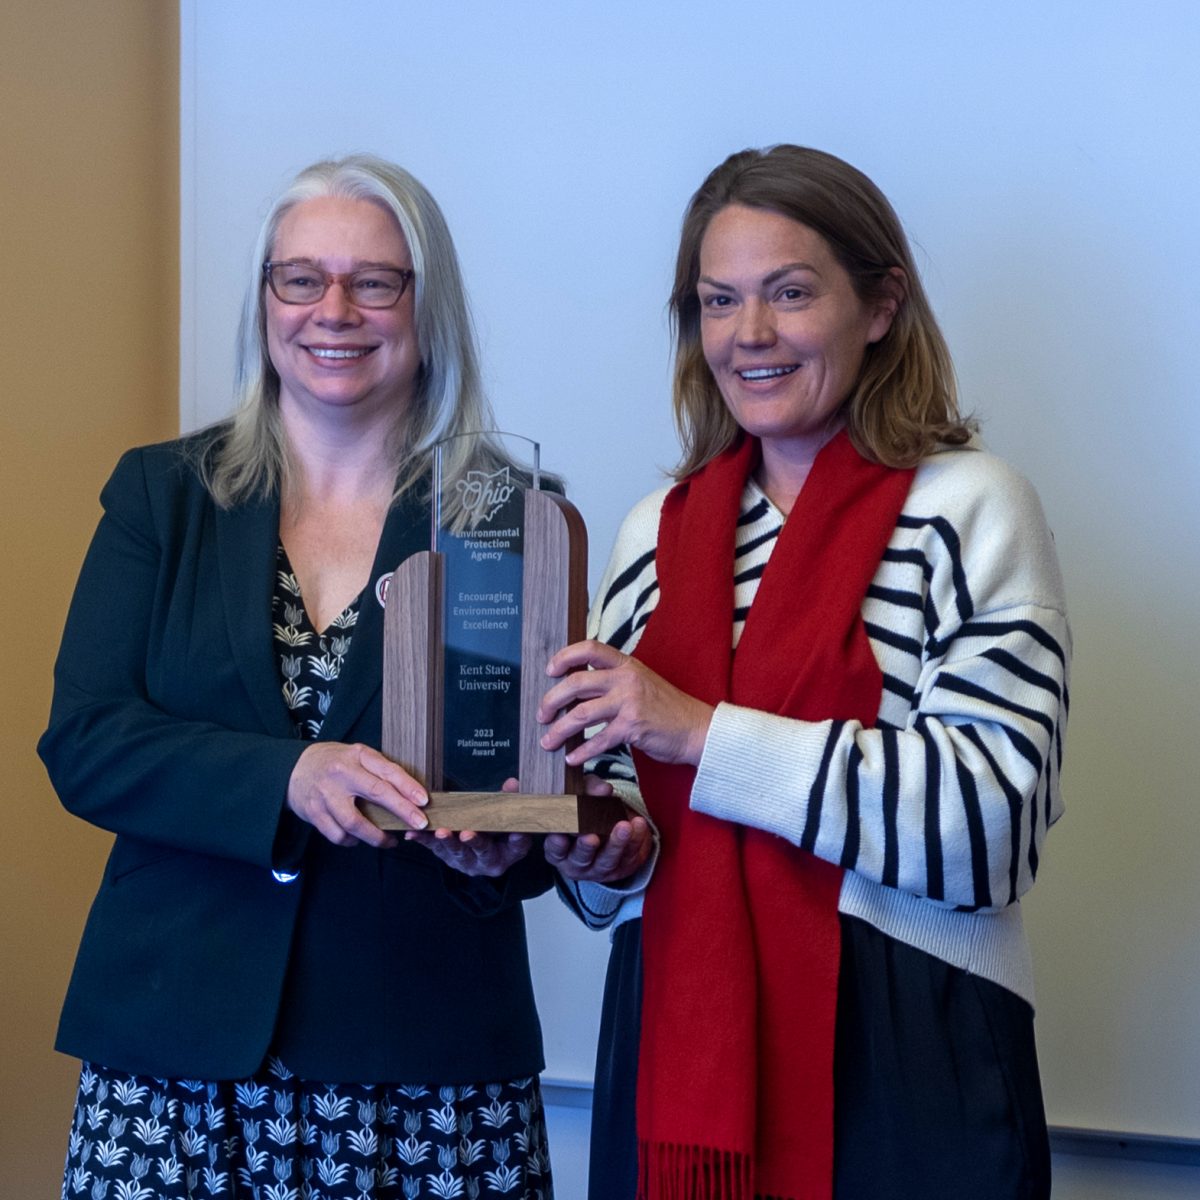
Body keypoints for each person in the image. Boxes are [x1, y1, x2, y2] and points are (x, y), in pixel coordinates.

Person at [39, 152, 645, 1200]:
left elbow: (517, 777)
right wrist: (289, 775)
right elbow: (87, 743)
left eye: (375, 281)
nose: (335, 310)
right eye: (300, 278)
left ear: (427, 308)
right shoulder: (163, 497)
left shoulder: (503, 512)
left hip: (425, 1066)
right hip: (174, 1062)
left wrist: (513, 851)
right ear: (264, 300)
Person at [538, 145, 1070, 1200]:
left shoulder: (970, 509)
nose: (751, 335)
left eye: (790, 293)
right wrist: (602, 853)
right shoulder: (654, 533)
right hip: (679, 1061)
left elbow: (994, 828)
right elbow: (647, 837)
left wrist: (701, 732)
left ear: (880, 305)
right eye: (718, 301)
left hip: (909, 1044)